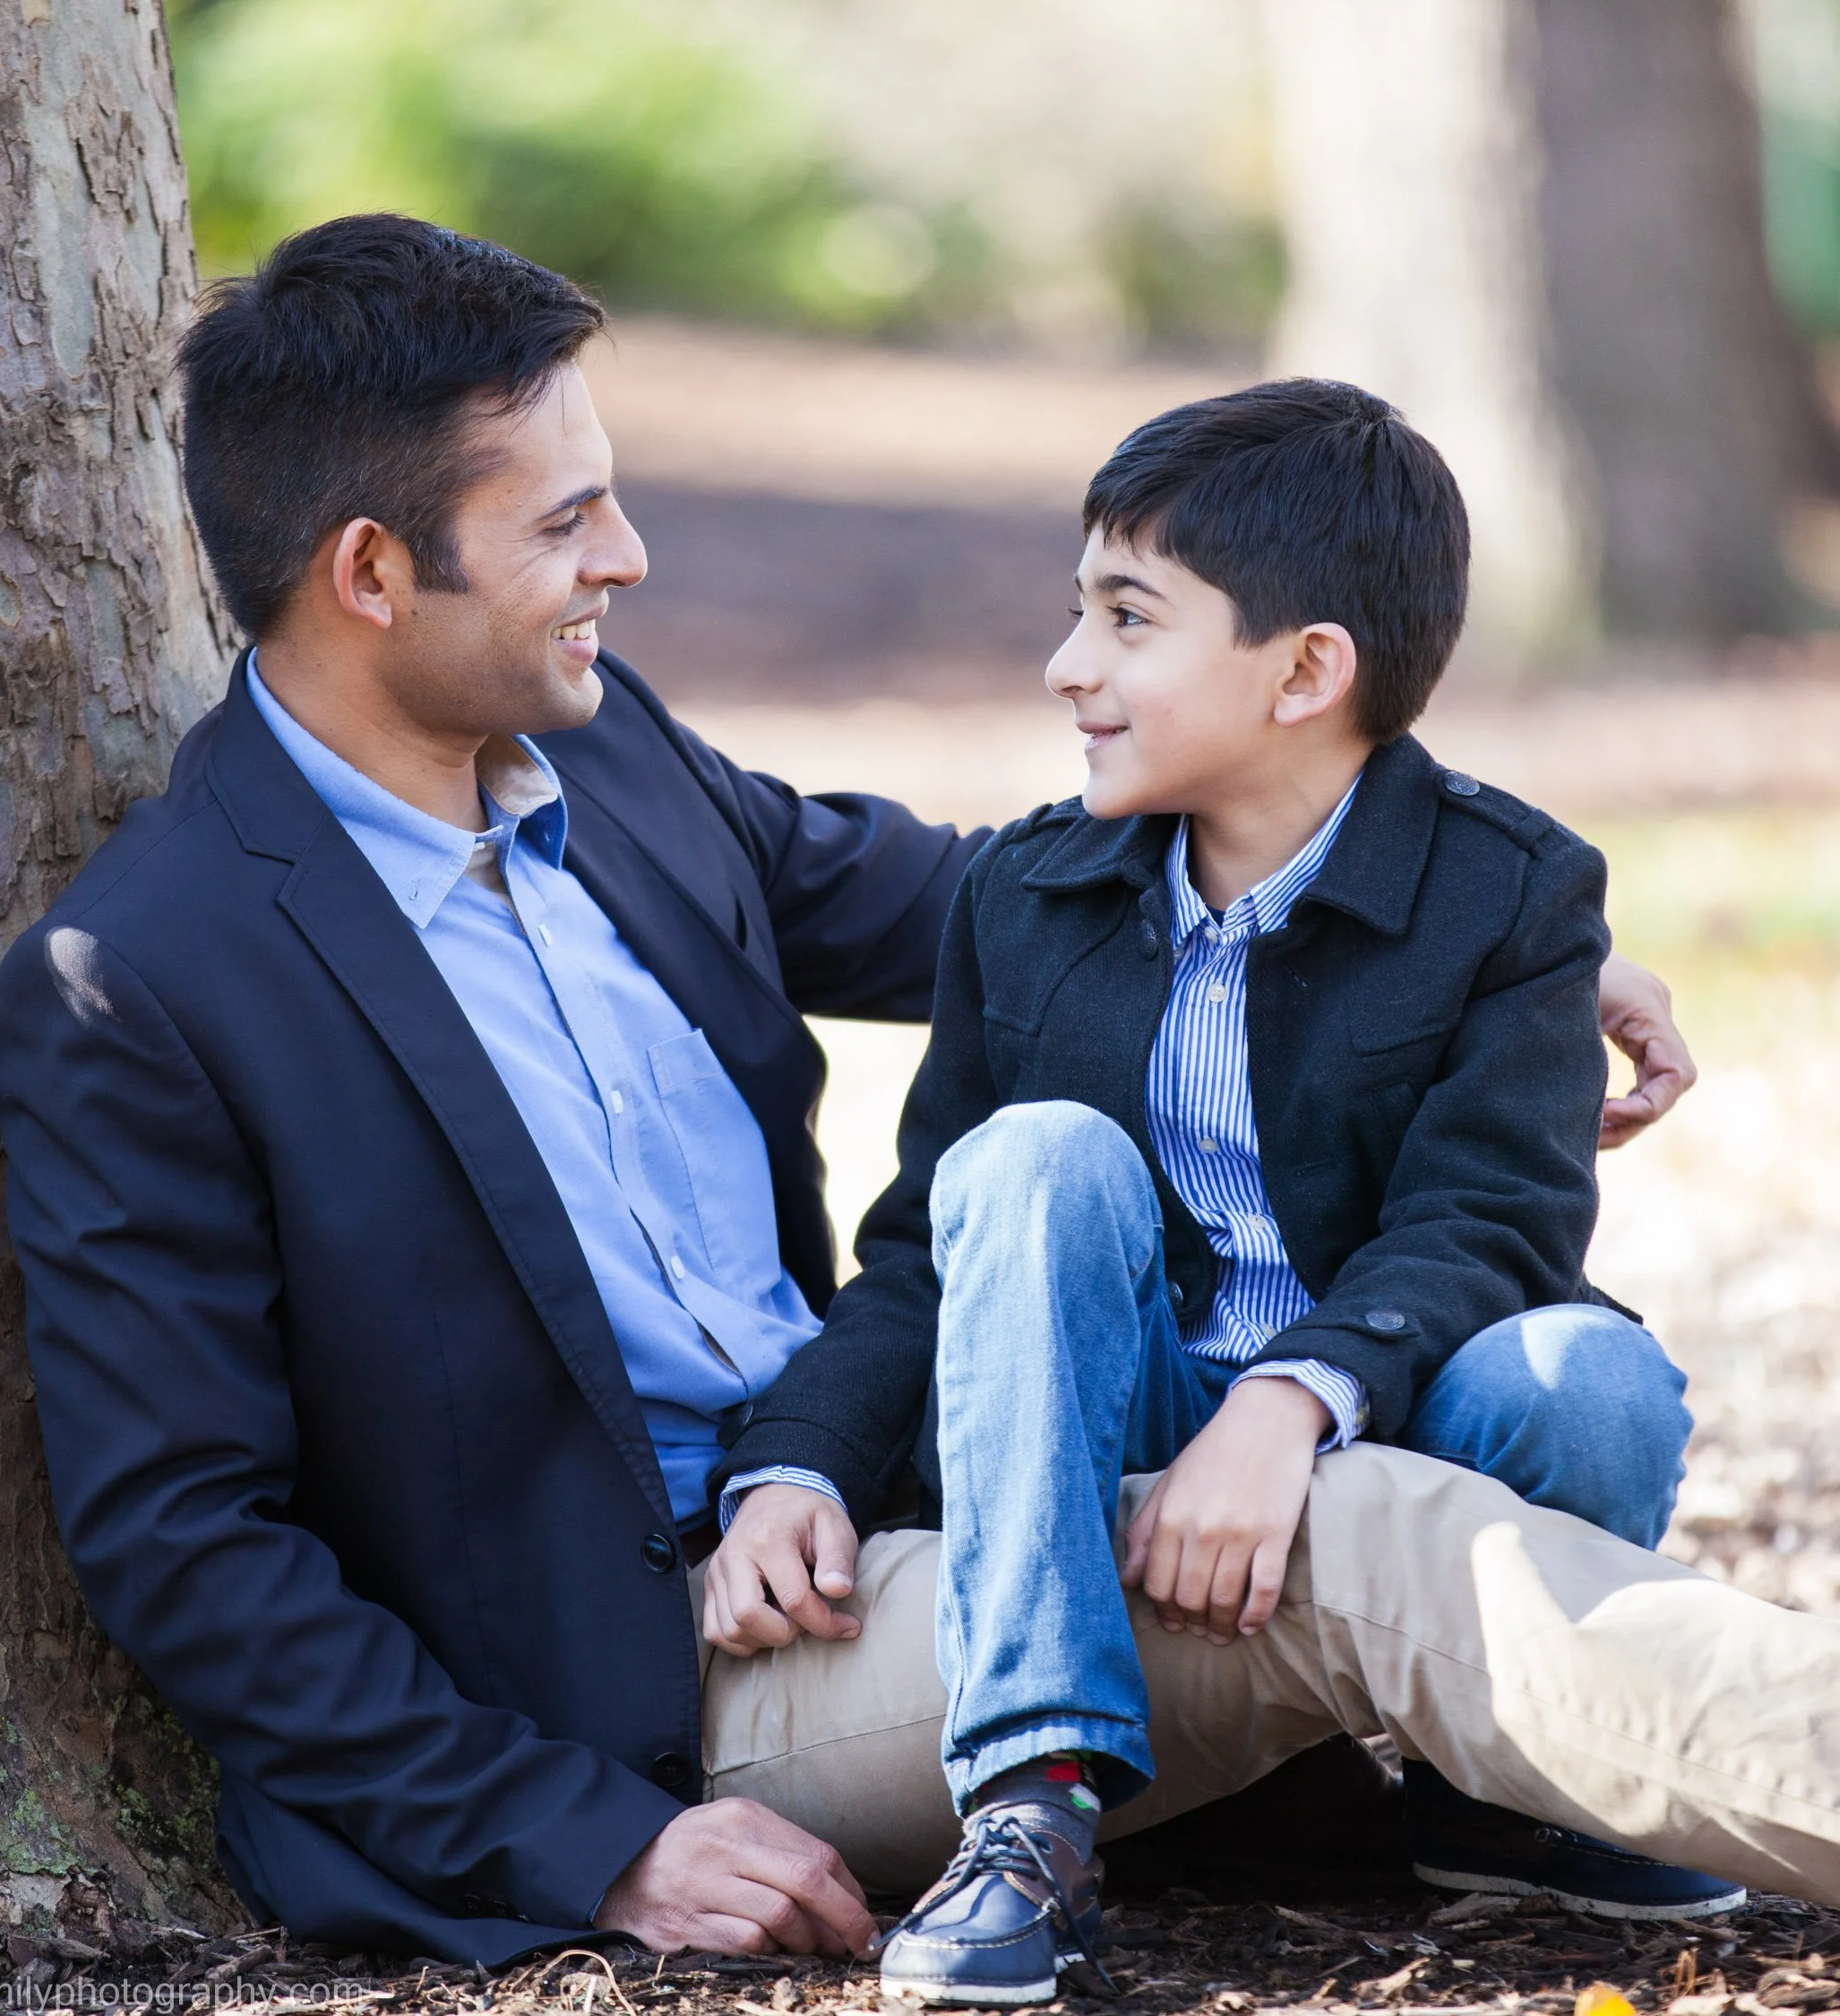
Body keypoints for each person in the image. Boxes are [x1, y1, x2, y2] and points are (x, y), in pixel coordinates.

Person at [0, 216, 1707, 1968]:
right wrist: (593, 1843)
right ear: (370, 573)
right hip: (695, 1654)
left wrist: (1482, 945)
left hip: (910, 1488)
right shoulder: (145, 982)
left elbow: (994, 899)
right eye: (568, 520)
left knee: (1560, 1396)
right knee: (1374, 1550)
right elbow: (185, 1540)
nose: (630, 557)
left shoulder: (610, 747)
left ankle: (1543, 1800)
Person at [703, 383, 1767, 2003]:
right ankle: (1032, 1804)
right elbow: (932, 1244)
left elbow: (1489, 1222)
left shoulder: (1511, 890)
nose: (1070, 664)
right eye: (1078, 611)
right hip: (1104, 1425)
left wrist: (1289, 1402)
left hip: (1367, 1411)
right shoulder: (1030, 890)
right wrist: (796, 1462)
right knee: (1034, 1157)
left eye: (1126, 618)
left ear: (1306, 672)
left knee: (1586, 1376)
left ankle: (1503, 1798)